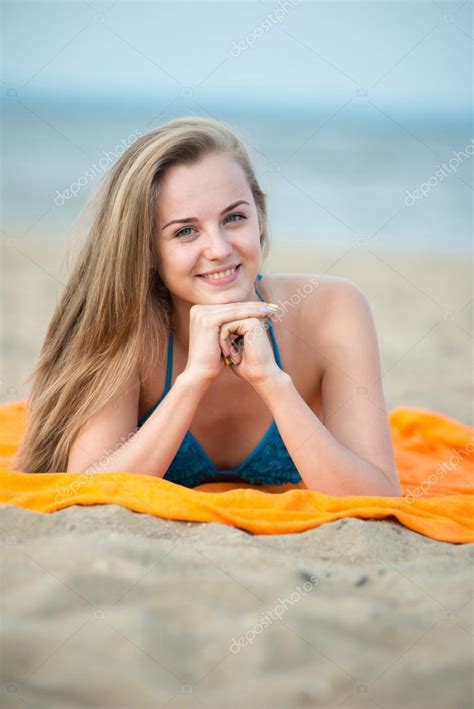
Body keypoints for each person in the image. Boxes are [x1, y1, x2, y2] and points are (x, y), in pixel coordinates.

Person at [14, 116, 401, 496]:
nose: (218, 249)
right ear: (146, 249)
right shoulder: (124, 325)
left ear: (260, 218)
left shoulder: (334, 308)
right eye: (185, 231)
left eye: (234, 218)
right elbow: (89, 492)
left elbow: (378, 494)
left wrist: (274, 383)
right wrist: (193, 379)